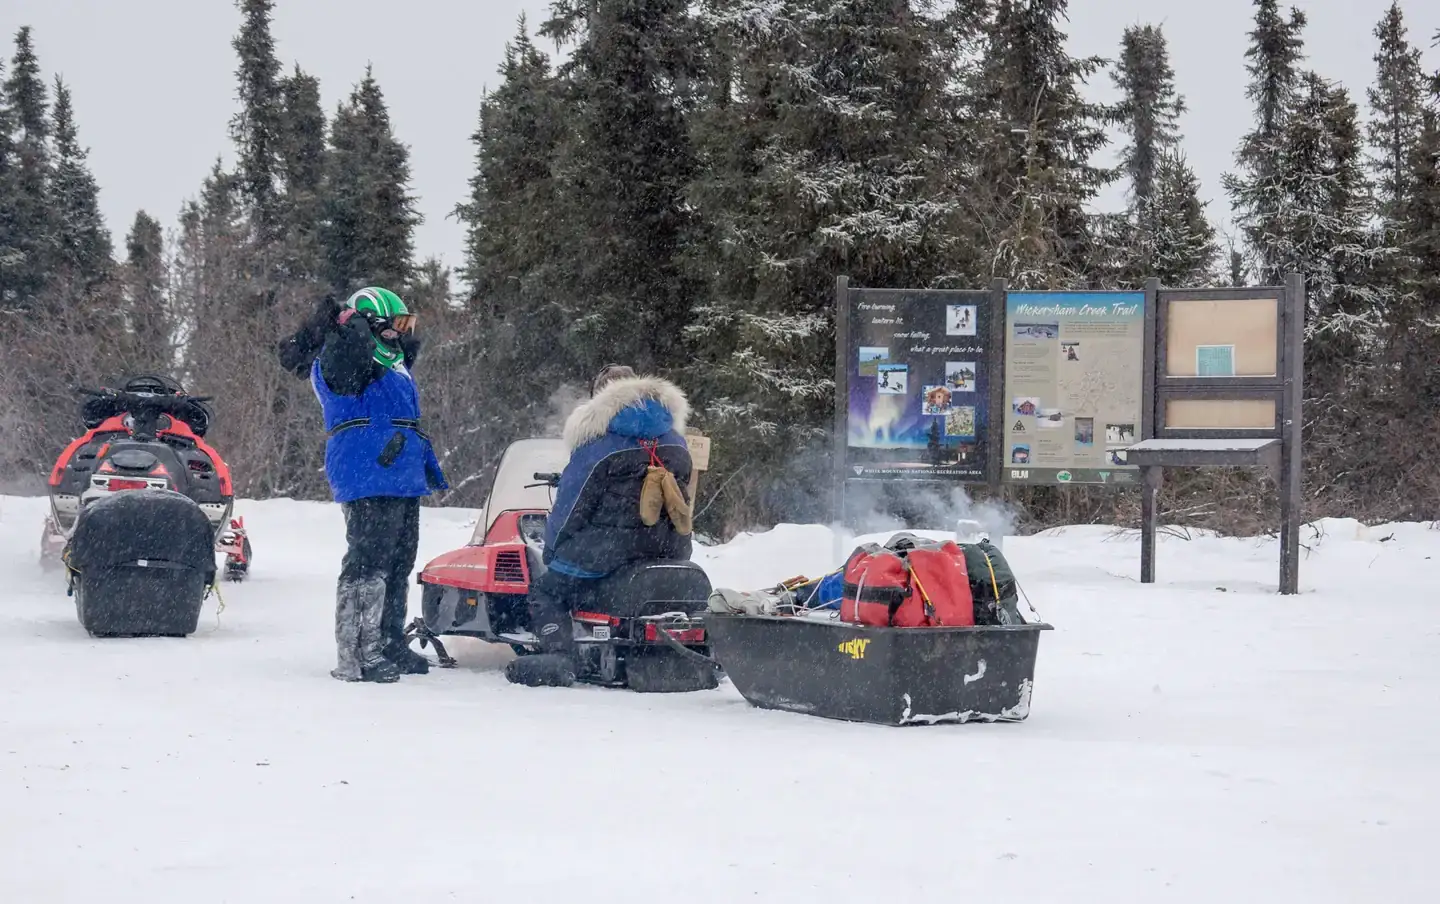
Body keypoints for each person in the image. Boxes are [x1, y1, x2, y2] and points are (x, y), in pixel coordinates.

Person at [276, 287, 448, 683]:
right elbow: (345, 365)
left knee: (398, 561)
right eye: (395, 325)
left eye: (407, 325)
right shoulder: (343, 359)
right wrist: (347, 326)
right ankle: (357, 651)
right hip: (367, 468)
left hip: (400, 470)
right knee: (368, 561)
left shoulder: (394, 365)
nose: (401, 334)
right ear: (368, 326)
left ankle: (387, 640)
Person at [508, 364, 694, 687]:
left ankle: (559, 654)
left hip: (607, 555)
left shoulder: (597, 445)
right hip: (667, 549)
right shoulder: (676, 441)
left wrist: (552, 550)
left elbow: (569, 510)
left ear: (601, 400)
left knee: (546, 588)